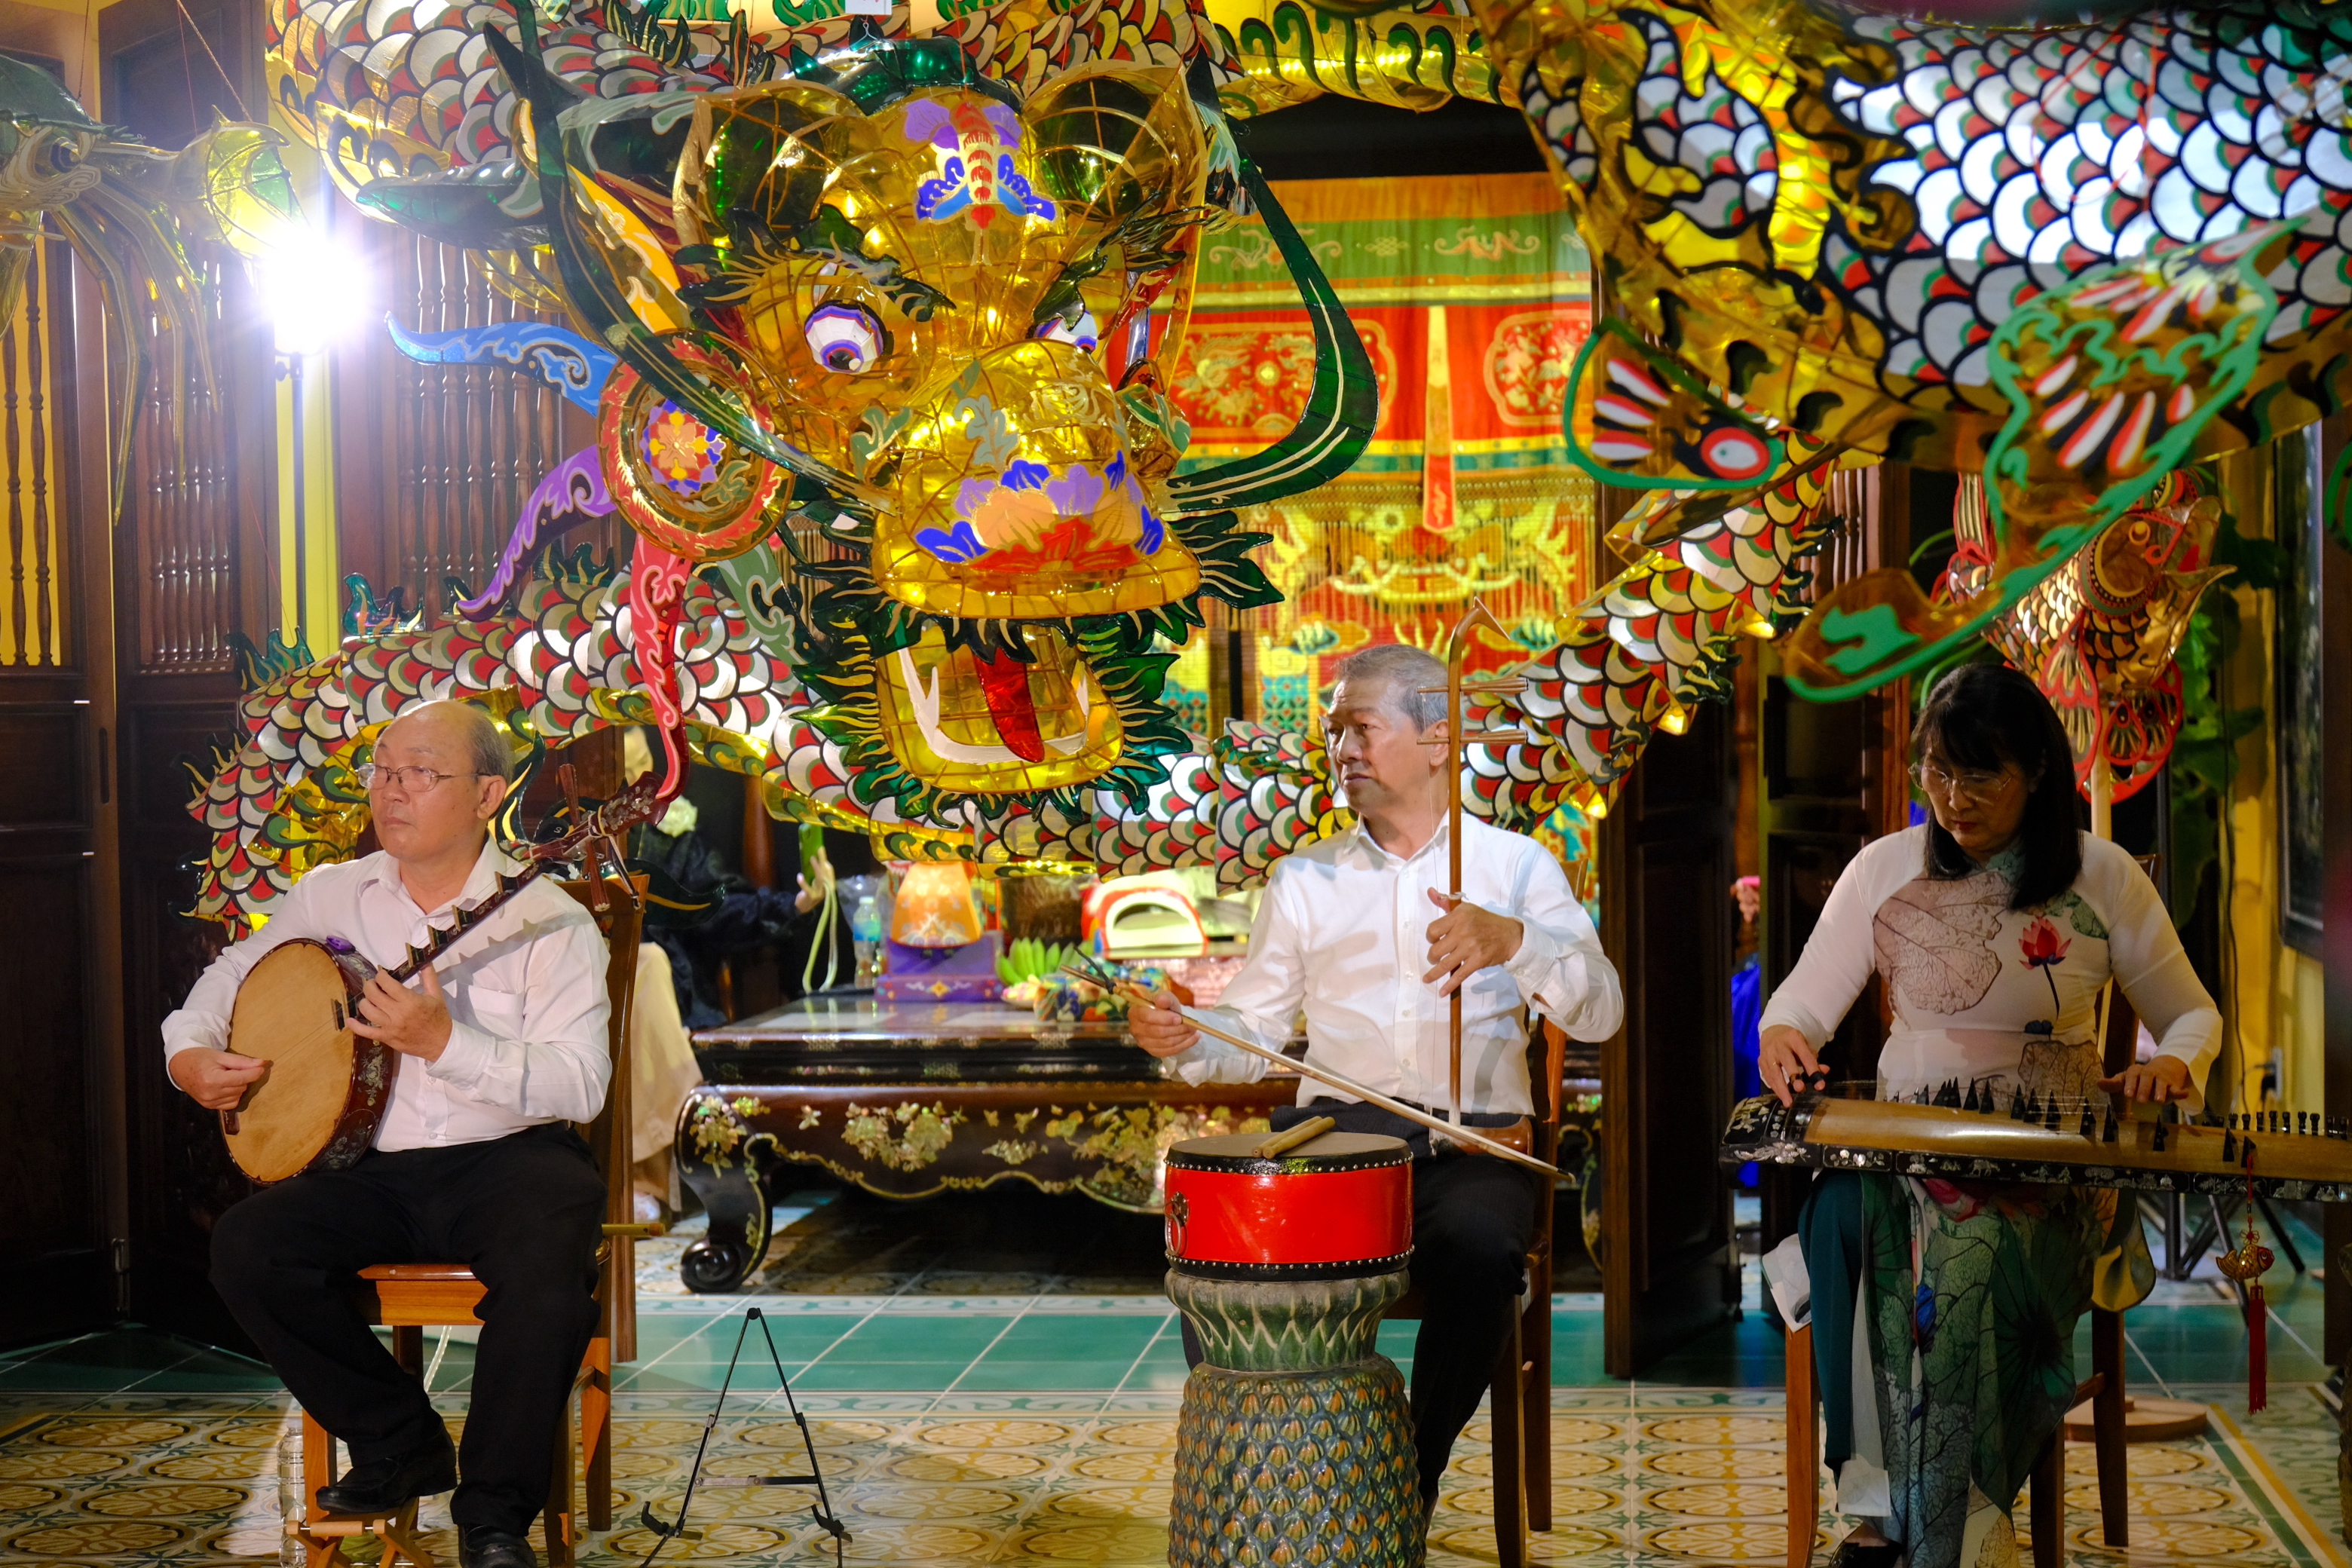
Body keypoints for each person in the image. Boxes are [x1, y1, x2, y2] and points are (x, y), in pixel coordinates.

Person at [1129, 642, 1624, 1525]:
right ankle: (1259, 1472)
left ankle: (1406, 1478)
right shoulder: (1306, 878)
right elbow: (1254, 1034)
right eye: (1333, 732)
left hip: (1472, 1146)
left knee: (1480, 1248)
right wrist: (1186, 1036)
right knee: (1215, 1246)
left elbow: (1603, 1011)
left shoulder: (1515, 867)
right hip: (1337, 1151)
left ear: (1439, 736)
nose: (1342, 749)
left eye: (1361, 727)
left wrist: (1516, 942)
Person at [1756, 664, 2220, 1568]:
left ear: (2038, 771)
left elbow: (2192, 1014)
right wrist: (1782, 1039)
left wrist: (2170, 1063)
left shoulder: (2103, 878)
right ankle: (1883, 1504)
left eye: (1980, 776)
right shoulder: (1885, 869)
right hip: (1906, 1153)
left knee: (1967, 1254)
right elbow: (1801, 1004)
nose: (1953, 799)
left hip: (2046, 1174)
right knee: (1841, 1216)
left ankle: (1948, 1517)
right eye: (1936, 772)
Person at [164, 700, 613, 1568]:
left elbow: (582, 1083)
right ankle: (400, 1439)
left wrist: (446, 1043)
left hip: (512, 1159)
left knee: (549, 1272)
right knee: (250, 1246)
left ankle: (493, 1518)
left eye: (420, 773)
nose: (392, 791)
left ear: (488, 793)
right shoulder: (334, 893)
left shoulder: (552, 919)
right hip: (372, 1167)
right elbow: (228, 976)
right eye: (382, 771)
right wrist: (188, 1051)